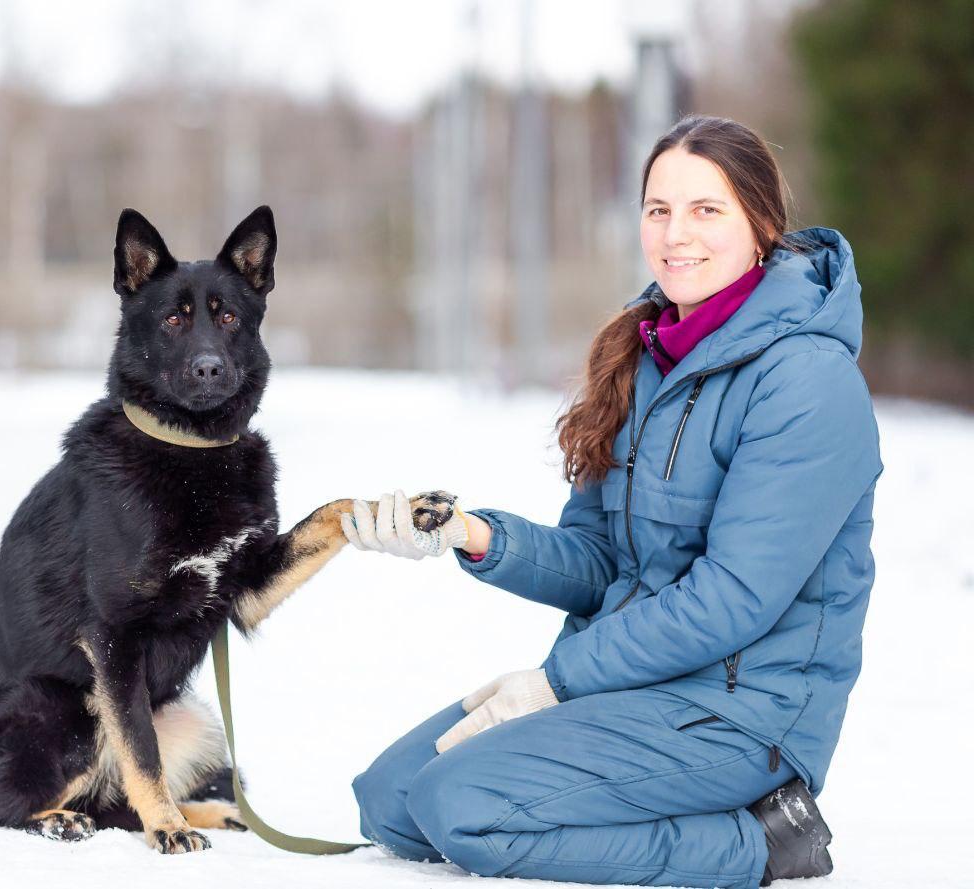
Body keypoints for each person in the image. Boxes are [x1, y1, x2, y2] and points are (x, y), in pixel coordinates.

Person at [341, 115, 883, 888]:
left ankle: (758, 843)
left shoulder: (806, 383)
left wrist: (556, 683)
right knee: (391, 803)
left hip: (746, 715)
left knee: (461, 806)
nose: (675, 234)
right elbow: (599, 563)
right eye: (658, 209)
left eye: (706, 209)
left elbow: (733, 599)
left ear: (761, 225)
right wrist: (471, 536)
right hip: (635, 686)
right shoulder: (645, 356)